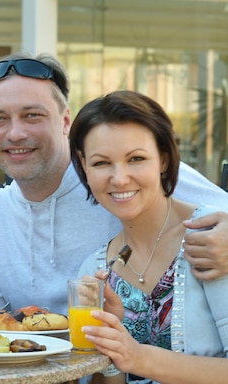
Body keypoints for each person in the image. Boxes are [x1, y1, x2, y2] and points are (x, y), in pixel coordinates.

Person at [0, 51, 228, 315]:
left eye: (32, 115)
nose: (15, 133)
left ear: (66, 121)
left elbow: (217, 211)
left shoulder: (113, 177)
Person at [72, 90, 228, 383]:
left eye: (136, 158)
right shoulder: (95, 270)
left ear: (164, 160)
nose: (119, 178)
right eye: (101, 163)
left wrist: (138, 357)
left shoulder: (213, 243)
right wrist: (112, 347)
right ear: (83, 165)